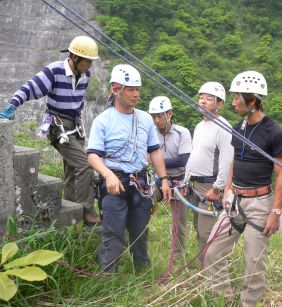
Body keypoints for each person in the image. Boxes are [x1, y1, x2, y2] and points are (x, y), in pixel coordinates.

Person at [204, 71, 282, 307]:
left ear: (251, 101)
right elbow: (234, 162)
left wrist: (276, 212)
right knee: (212, 250)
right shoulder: (237, 128)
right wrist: (228, 190)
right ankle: (225, 299)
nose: (232, 103)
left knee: (253, 263)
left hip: (260, 203)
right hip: (235, 200)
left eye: (236, 98)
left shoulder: (275, 133)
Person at [0, 36, 101, 224]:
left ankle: (73, 210)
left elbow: (77, 102)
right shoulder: (55, 71)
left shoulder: (86, 76)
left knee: (73, 169)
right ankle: (87, 210)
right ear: (75, 58)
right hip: (58, 126)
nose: (90, 66)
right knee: (86, 165)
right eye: (87, 61)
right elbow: (31, 87)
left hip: (75, 125)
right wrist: (12, 106)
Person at [87, 64, 171, 272]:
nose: (136, 94)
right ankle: (108, 280)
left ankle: (142, 276)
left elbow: (154, 151)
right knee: (113, 235)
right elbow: (93, 155)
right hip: (114, 182)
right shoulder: (103, 121)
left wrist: (164, 179)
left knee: (140, 233)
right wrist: (107, 174)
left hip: (140, 182)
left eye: (138, 89)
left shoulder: (144, 119)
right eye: (131, 89)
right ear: (117, 89)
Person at [184, 81, 234, 256]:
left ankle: (212, 271)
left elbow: (227, 161)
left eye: (209, 99)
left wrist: (218, 189)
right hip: (195, 185)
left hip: (210, 186)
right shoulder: (199, 126)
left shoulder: (223, 128)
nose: (202, 101)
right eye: (201, 97)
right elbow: (194, 155)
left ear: (219, 104)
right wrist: (186, 180)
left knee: (207, 232)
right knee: (198, 229)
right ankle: (203, 268)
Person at [148, 96, 192, 257]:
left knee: (179, 221)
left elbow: (182, 160)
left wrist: (155, 160)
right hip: (160, 179)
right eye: (153, 117)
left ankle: (178, 254)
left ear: (169, 114)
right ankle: (141, 244)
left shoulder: (182, 133)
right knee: (144, 204)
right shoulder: (151, 132)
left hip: (180, 180)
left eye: (160, 116)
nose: (156, 120)